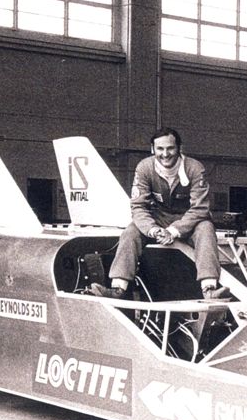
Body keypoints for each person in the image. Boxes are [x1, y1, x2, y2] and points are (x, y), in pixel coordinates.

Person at [89, 127, 229, 300]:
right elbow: (138, 206)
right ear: (152, 149)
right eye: (160, 149)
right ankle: (118, 288)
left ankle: (209, 288)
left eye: (170, 148)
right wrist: (153, 230)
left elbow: (200, 208)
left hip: (190, 221)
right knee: (130, 232)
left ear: (179, 148)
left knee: (206, 228)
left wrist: (174, 231)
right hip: (158, 219)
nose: (165, 154)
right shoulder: (145, 168)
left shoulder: (194, 168)